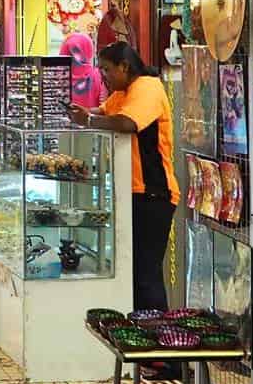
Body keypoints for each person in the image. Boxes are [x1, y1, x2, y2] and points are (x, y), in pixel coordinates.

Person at [70, 41, 180, 319]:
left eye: (106, 70)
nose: (102, 76)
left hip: (154, 195)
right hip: (133, 194)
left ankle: (162, 352)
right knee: (133, 271)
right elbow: (104, 112)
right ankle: (142, 341)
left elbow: (128, 123)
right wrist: (81, 114)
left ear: (124, 66)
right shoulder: (123, 91)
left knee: (146, 273)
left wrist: (89, 121)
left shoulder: (148, 87)